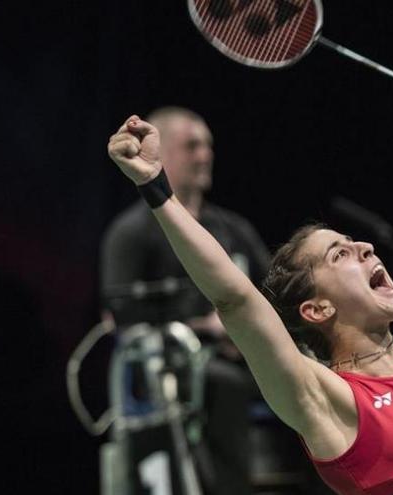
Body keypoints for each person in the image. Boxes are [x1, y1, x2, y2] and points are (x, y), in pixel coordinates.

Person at [106, 96, 393, 494]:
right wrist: (156, 187)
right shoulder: (327, 399)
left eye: (355, 243)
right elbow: (235, 298)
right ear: (317, 308)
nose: (365, 247)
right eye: (340, 253)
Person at [100, 107, 278, 495]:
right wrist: (207, 327)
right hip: (182, 371)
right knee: (221, 383)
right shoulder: (130, 233)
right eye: (192, 146)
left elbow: (275, 292)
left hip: (250, 358)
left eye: (208, 146)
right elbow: (119, 312)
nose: (205, 155)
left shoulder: (233, 229)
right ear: (159, 150)